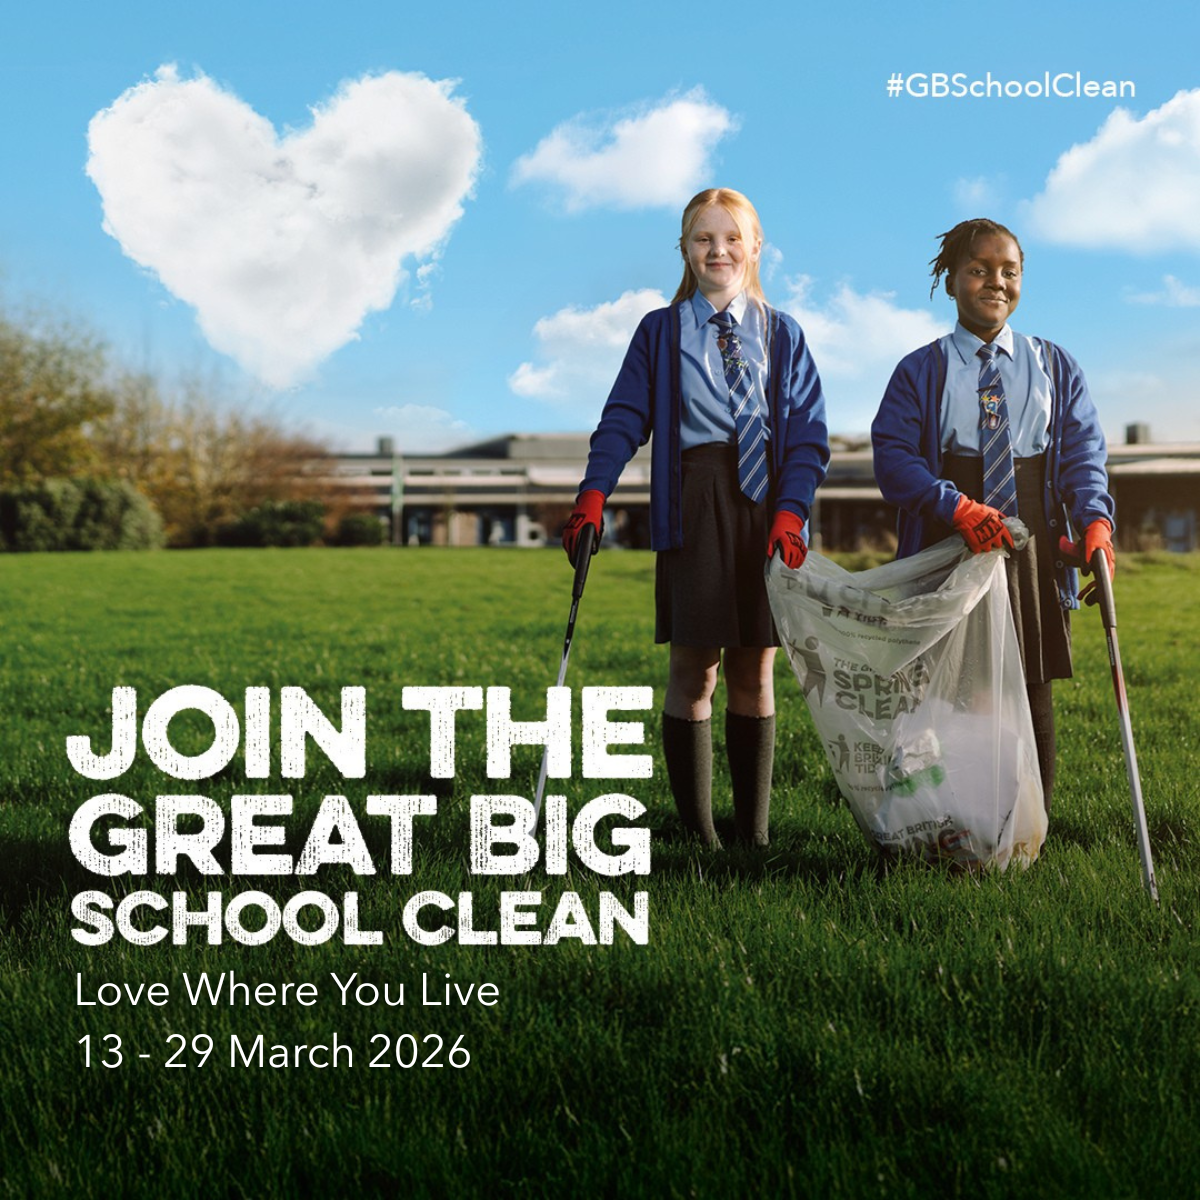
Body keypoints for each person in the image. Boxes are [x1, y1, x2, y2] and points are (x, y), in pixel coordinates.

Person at [562, 188, 830, 846]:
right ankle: (702, 835)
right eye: (703, 239)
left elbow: (808, 438)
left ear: (756, 247)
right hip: (695, 496)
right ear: (684, 249)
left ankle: (754, 835)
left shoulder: (783, 333)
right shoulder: (661, 329)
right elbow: (624, 417)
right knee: (694, 667)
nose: (719, 250)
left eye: (732, 237)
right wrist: (593, 493)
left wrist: (791, 512)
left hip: (766, 503)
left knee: (754, 666)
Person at [871, 218, 1115, 813]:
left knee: (1031, 682)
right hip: (951, 532)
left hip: (1031, 539)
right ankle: (954, 821)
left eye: (1009, 271)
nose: (995, 282)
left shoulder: (1054, 365)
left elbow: (1083, 454)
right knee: (956, 685)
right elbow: (893, 457)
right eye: (979, 270)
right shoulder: (920, 370)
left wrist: (1095, 522)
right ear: (950, 279)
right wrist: (952, 503)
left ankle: (1028, 827)